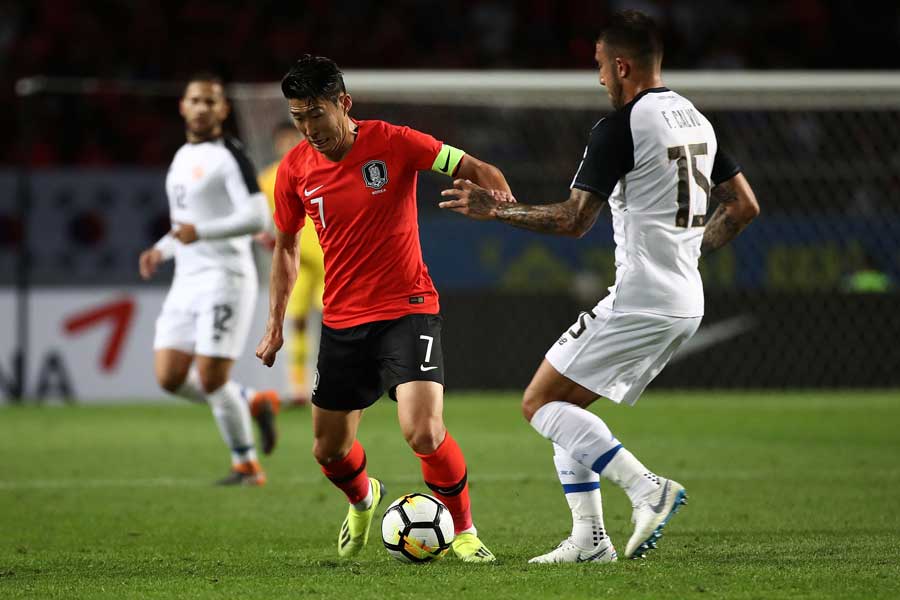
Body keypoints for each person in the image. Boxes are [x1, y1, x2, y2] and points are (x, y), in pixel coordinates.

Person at [439, 10, 760, 563]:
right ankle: (590, 541)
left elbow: (572, 219)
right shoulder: (695, 120)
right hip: (684, 298)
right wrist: (688, 251)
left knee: (539, 403)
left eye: (599, 67)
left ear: (621, 65)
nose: (599, 79)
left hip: (643, 297)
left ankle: (646, 490)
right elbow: (745, 206)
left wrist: (499, 211)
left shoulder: (621, 126)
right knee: (569, 408)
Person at [255, 55, 511, 562]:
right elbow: (285, 247)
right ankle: (363, 497)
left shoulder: (394, 142)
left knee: (424, 431)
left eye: (316, 114)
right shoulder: (294, 170)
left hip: (407, 308)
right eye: (298, 117)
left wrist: (499, 201)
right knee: (328, 451)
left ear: (343, 104)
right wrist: (275, 324)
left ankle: (463, 531)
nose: (308, 128)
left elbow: (473, 166)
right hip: (343, 321)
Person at [139, 73, 281, 486]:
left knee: (211, 378)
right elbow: (185, 224)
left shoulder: (230, 155)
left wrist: (200, 233)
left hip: (226, 277)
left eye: (210, 101)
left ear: (223, 109)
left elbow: (258, 217)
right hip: (187, 280)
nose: (202, 107)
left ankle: (246, 465)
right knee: (169, 377)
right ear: (183, 106)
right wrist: (160, 249)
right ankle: (252, 401)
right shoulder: (182, 156)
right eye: (195, 100)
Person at [257, 122, 325, 406]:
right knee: (295, 323)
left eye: (292, 139)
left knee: (340, 323)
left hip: (329, 257)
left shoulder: (320, 169)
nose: (287, 145)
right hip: (297, 262)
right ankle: (298, 389)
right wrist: (267, 238)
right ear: (276, 144)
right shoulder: (267, 179)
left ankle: (346, 382)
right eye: (282, 141)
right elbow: (259, 220)